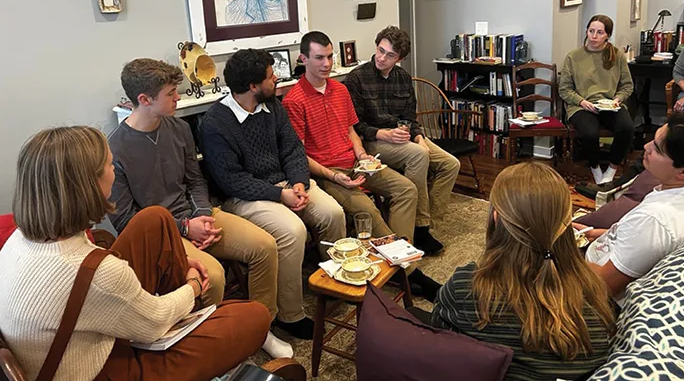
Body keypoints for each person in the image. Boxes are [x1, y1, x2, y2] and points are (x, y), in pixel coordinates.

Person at [0, 126, 270, 381]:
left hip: (70, 345)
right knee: (253, 317)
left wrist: (174, 261)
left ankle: (185, 324)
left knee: (155, 219)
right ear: (89, 184)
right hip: (100, 369)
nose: (114, 169)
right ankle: (189, 330)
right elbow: (153, 322)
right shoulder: (96, 271)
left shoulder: (19, 238)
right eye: (109, 164)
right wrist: (193, 286)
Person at [108, 58, 292, 358]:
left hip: (197, 215)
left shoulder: (179, 128)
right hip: (163, 234)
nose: (178, 97)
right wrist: (184, 228)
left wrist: (202, 215)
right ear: (144, 100)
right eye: (170, 93)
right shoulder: (115, 149)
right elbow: (127, 221)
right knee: (215, 276)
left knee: (264, 245)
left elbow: (195, 181)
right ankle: (214, 348)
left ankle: (262, 328)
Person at [282, 31, 441, 301]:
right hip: (328, 175)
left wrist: (361, 155)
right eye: (319, 57)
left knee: (406, 189)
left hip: (356, 164)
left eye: (330, 56)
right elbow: (299, 156)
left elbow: (350, 130)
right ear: (303, 59)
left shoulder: (340, 90)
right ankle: (410, 273)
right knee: (367, 209)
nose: (327, 63)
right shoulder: (294, 100)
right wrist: (334, 175)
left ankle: (397, 258)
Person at [199, 48, 346, 340]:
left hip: (287, 185)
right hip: (245, 198)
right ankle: (290, 315)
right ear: (253, 86)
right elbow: (231, 181)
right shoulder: (215, 123)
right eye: (270, 76)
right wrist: (281, 196)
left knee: (333, 212)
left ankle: (334, 283)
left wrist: (299, 183)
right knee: (291, 231)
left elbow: (292, 148)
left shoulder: (273, 106)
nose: (276, 78)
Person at [431, 162, 615, 381]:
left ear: (497, 218)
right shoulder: (597, 292)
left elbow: (439, 345)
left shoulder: (465, 288)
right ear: (567, 223)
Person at [575, 112, 684, 306]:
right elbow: (639, 244)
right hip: (597, 255)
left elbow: (603, 286)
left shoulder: (653, 220)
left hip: (592, 291)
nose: (646, 147)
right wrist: (595, 233)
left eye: (657, 149)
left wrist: (561, 255)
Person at [344, 26, 460, 254]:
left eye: (390, 55)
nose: (382, 58)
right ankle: (421, 228)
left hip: (404, 136)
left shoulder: (403, 78)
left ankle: (427, 222)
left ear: (400, 59)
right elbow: (355, 125)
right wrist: (383, 134)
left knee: (450, 164)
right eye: (380, 50)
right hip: (373, 140)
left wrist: (419, 137)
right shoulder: (356, 78)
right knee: (418, 155)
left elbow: (410, 117)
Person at [559, 15, 634, 184]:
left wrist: (617, 99)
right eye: (591, 31)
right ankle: (595, 167)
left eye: (599, 32)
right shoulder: (573, 57)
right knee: (589, 133)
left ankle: (612, 168)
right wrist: (581, 102)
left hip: (609, 104)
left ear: (607, 35)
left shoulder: (617, 55)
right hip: (581, 105)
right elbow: (564, 89)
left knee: (627, 127)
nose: (594, 36)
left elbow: (627, 86)